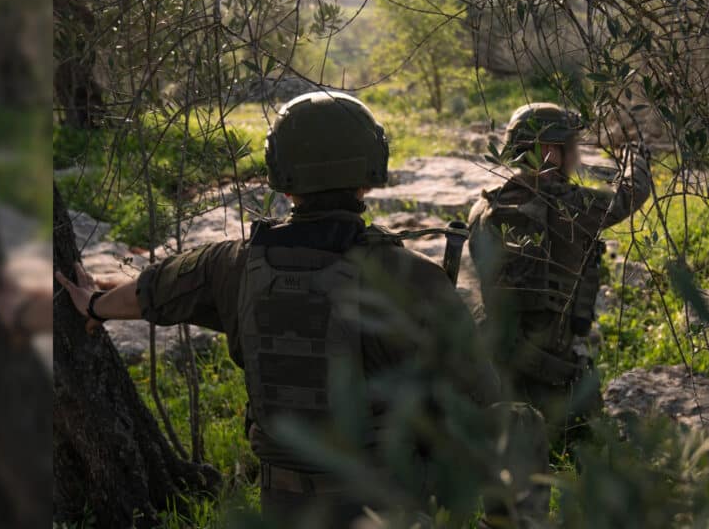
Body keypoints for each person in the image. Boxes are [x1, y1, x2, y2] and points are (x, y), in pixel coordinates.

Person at [56, 91, 515, 528]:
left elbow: (151, 292)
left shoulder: (230, 265)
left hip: (283, 508)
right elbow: (482, 403)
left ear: (283, 176)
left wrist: (94, 304)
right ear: (368, 174)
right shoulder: (411, 276)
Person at [468, 102, 652, 445]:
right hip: (554, 377)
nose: (575, 155)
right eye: (570, 146)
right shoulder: (570, 206)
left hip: (498, 369)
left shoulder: (482, 208)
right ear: (549, 152)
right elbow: (628, 196)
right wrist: (638, 161)